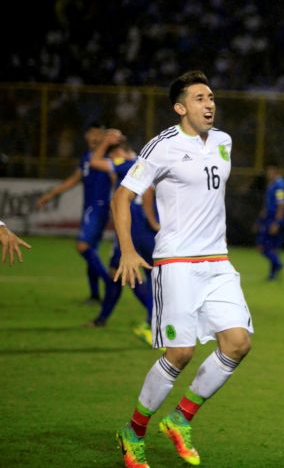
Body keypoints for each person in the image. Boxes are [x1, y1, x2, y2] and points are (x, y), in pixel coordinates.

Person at [112, 71, 253, 468]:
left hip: (218, 262)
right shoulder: (162, 146)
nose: (209, 104)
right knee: (181, 351)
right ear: (180, 107)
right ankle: (133, 431)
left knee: (238, 343)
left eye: (211, 97)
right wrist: (126, 250)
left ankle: (180, 418)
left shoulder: (223, 142)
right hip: (176, 263)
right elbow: (122, 198)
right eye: (199, 98)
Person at [85, 128, 158, 346]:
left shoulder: (126, 164)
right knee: (127, 274)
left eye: (113, 153)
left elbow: (94, 161)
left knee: (124, 274)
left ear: (120, 152)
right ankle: (105, 318)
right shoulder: (144, 163)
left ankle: (154, 322)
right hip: (143, 230)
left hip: (134, 229)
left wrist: (105, 143)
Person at [37, 122, 113, 303]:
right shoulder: (87, 157)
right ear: (86, 136)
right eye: (92, 133)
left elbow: (117, 178)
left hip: (99, 208)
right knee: (91, 251)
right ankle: (95, 296)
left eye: (99, 134)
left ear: (104, 137)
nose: (95, 137)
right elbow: (74, 179)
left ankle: (109, 282)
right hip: (89, 208)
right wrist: (51, 194)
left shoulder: (107, 158)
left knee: (83, 246)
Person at [256, 162, 284, 280]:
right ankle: (272, 275)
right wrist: (260, 219)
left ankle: (280, 265)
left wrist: (277, 222)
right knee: (272, 248)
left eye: (270, 171)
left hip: (273, 220)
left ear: (276, 171)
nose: (268, 174)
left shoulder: (280, 185)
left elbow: (282, 204)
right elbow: (267, 204)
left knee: (262, 246)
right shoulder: (271, 184)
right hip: (268, 219)